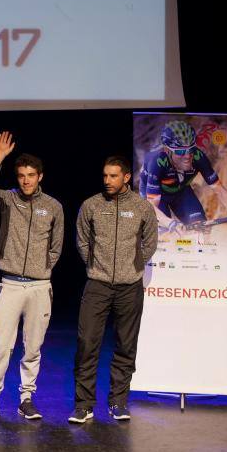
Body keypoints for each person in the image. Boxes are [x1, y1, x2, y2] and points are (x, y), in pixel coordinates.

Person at [0, 132, 64, 421]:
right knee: (0, 345)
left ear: (40, 176)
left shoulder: (52, 206)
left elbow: (56, 246)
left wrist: (42, 270)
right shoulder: (8, 199)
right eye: (22, 175)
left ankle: (26, 397)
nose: (26, 180)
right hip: (11, 284)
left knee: (33, 347)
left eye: (31, 175)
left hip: (39, 286)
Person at [70, 156, 158, 423]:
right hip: (97, 284)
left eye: (113, 176)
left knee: (125, 345)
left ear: (126, 178)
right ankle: (83, 405)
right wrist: (96, 265)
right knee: (87, 344)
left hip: (129, 287)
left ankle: (118, 402)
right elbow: (82, 241)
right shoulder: (92, 205)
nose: (107, 181)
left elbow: (150, 242)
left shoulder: (142, 208)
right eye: (105, 176)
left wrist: (132, 266)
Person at [139, 120, 227, 232]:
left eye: (191, 149)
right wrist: (170, 223)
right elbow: (151, 207)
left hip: (180, 190)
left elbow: (218, 188)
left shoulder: (198, 157)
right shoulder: (156, 162)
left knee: (201, 228)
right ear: (167, 150)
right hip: (154, 195)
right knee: (162, 232)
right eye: (180, 152)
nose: (188, 156)